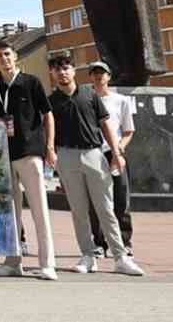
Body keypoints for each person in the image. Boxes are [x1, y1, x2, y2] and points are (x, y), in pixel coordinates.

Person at [45, 53, 143, 276]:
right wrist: (50, 150)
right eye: (57, 69)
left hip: (94, 154)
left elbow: (106, 125)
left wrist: (117, 152)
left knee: (106, 208)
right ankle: (88, 255)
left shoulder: (90, 95)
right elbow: (47, 128)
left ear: (73, 70)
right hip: (67, 155)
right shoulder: (51, 101)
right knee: (79, 210)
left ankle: (120, 256)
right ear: (52, 73)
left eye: (66, 67)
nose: (62, 72)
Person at [0, 40, 57, 280]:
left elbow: (47, 115)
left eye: (7, 54)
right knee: (10, 213)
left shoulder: (31, 82)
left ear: (15, 56)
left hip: (30, 152)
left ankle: (47, 264)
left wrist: (49, 147)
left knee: (39, 210)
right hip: (5, 154)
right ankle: (13, 262)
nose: (3, 58)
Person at [86, 61, 135, 259]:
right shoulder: (85, 99)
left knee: (121, 199)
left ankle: (125, 242)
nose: (99, 77)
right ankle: (99, 243)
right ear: (90, 77)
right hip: (92, 154)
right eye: (95, 73)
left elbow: (128, 130)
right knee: (96, 200)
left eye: (102, 73)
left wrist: (120, 148)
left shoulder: (121, 100)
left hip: (115, 153)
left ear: (109, 76)